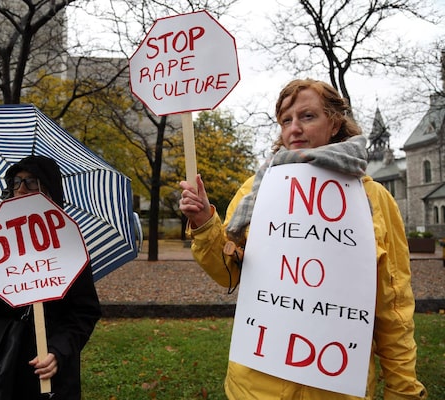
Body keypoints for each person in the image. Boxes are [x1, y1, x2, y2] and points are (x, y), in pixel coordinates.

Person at [179, 79, 427, 400]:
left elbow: (392, 307)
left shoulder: (373, 198)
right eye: (285, 120)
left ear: (335, 122)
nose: (294, 129)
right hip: (255, 388)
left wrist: (403, 389)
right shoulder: (255, 190)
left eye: (307, 117)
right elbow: (227, 272)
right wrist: (203, 224)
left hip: (335, 387)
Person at [0, 155, 101, 400]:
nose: (21, 188)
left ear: (50, 190)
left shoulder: (70, 243)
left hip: (43, 367)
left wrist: (58, 351)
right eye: (16, 181)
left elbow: (85, 312)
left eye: (32, 182)